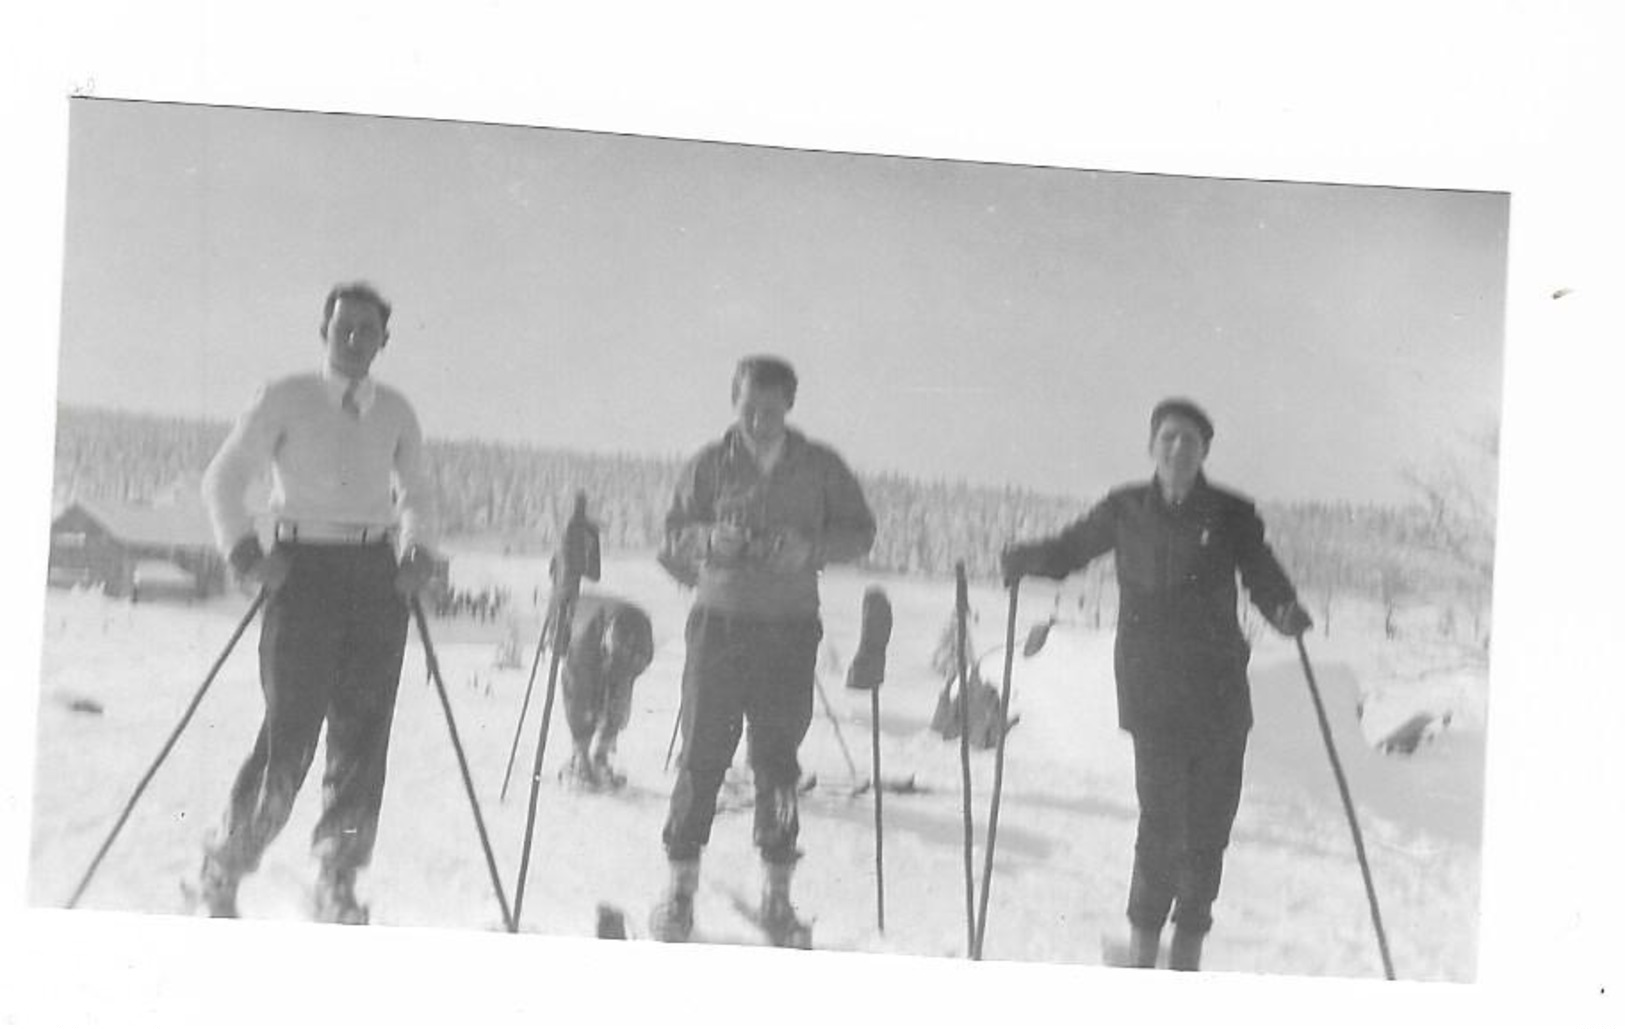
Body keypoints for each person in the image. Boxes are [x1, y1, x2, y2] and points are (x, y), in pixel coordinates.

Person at [1000, 398, 1312, 971]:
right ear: (1152, 446)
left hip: (1218, 691)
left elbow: (1262, 571)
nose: (1177, 449)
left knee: (1210, 829)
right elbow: (1070, 551)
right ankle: (1143, 956)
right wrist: (1026, 559)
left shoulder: (1231, 514)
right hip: (1154, 691)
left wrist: (1284, 607)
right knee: (1161, 826)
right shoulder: (1125, 510)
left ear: (1203, 453)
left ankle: (1186, 955)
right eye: (1168, 437)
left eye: (1189, 441)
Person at [191, 281, 438, 924]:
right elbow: (222, 479)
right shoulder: (287, 397)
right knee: (289, 731)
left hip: (377, 578)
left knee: (362, 738)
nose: (354, 340)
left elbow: (417, 494)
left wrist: (416, 553)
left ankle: (337, 879)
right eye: (343, 327)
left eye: (367, 330)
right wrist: (247, 554)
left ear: (385, 340)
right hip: (304, 574)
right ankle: (222, 869)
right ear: (322, 331)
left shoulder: (397, 411)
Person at [651, 355, 876, 945]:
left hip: (788, 631)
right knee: (702, 758)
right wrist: (706, 539)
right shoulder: (709, 463)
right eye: (749, 407)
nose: (759, 420)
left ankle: (777, 897)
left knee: (777, 764)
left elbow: (861, 533)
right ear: (734, 400)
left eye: (771, 410)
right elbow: (670, 536)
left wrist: (810, 548)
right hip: (719, 626)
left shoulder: (819, 467)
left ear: (789, 407)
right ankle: (679, 892)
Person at [557, 592, 655, 790]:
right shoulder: (584, 643)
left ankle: (594, 758)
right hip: (602, 635)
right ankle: (586, 759)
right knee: (593, 698)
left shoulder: (636, 645)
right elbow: (580, 698)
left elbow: (616, 691)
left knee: (611, 695)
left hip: (621, 632)